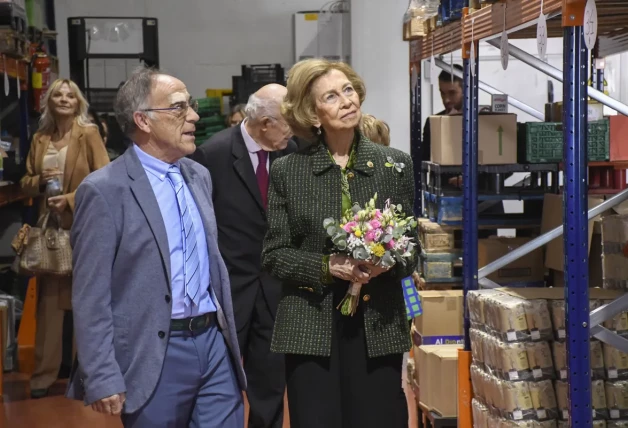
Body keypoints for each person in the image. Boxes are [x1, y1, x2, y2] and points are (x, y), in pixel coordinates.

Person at [66, 66, 246, 427]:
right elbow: (90, 294)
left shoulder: (198, 176)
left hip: (213, 343)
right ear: (143, 120)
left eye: (192, 106)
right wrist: (102, 374)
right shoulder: (104, 190)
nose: (193, 116)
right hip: (154, 353)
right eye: (179, 107)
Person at [261, 58, 417, 428]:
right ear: (312, 114)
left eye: (348, 90)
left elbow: (412, 250)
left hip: (378, 323)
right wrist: (327, 266)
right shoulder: (288, 171)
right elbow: (274, 254)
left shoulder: (394, 165)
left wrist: (390, 261)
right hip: (311, 327)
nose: (346, 101)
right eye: (331, 96)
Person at [192, 84, 295, 428]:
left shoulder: (291, 153)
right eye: (286, 122)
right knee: (222, 388)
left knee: (269, 387)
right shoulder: (213, 154)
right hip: (229, 292)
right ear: (264, 122)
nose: (292, 130)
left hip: (275, 290)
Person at [20, 78, 109, 399]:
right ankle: (43, 377)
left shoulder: (89, 134)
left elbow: (105, 178)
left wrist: (70, 198)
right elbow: (25, 182)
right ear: (49, 102)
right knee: (48, 307)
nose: (63, 99)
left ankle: (86, 376)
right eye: (57, 94)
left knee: (85, 304)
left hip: (83, 229)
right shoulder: (41, 138)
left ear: (78, 102)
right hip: (51, 235)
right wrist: (40, 183)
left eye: (70, 95)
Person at [421, 65, 463, 163]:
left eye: (452, 93)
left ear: (465, 91)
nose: (446, 100)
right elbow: (424, 160)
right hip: (442, 178)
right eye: (442, 93)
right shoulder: (432, 122)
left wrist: (477, 178)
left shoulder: (480, 121)